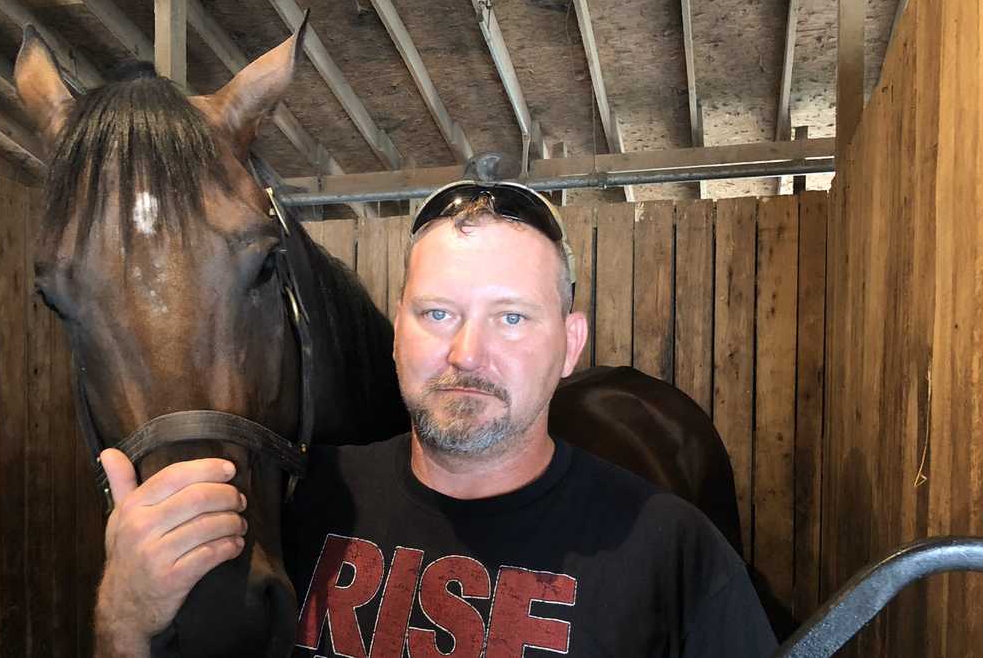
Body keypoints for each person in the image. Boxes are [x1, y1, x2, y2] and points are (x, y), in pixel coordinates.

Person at [95, 180, 778, 657]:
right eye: (437, 313)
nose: (466, 352)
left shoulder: (678, 553)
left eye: (511, 317)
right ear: (398, 335)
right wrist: (123, 616)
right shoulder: (303, 503)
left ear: (569, 344)